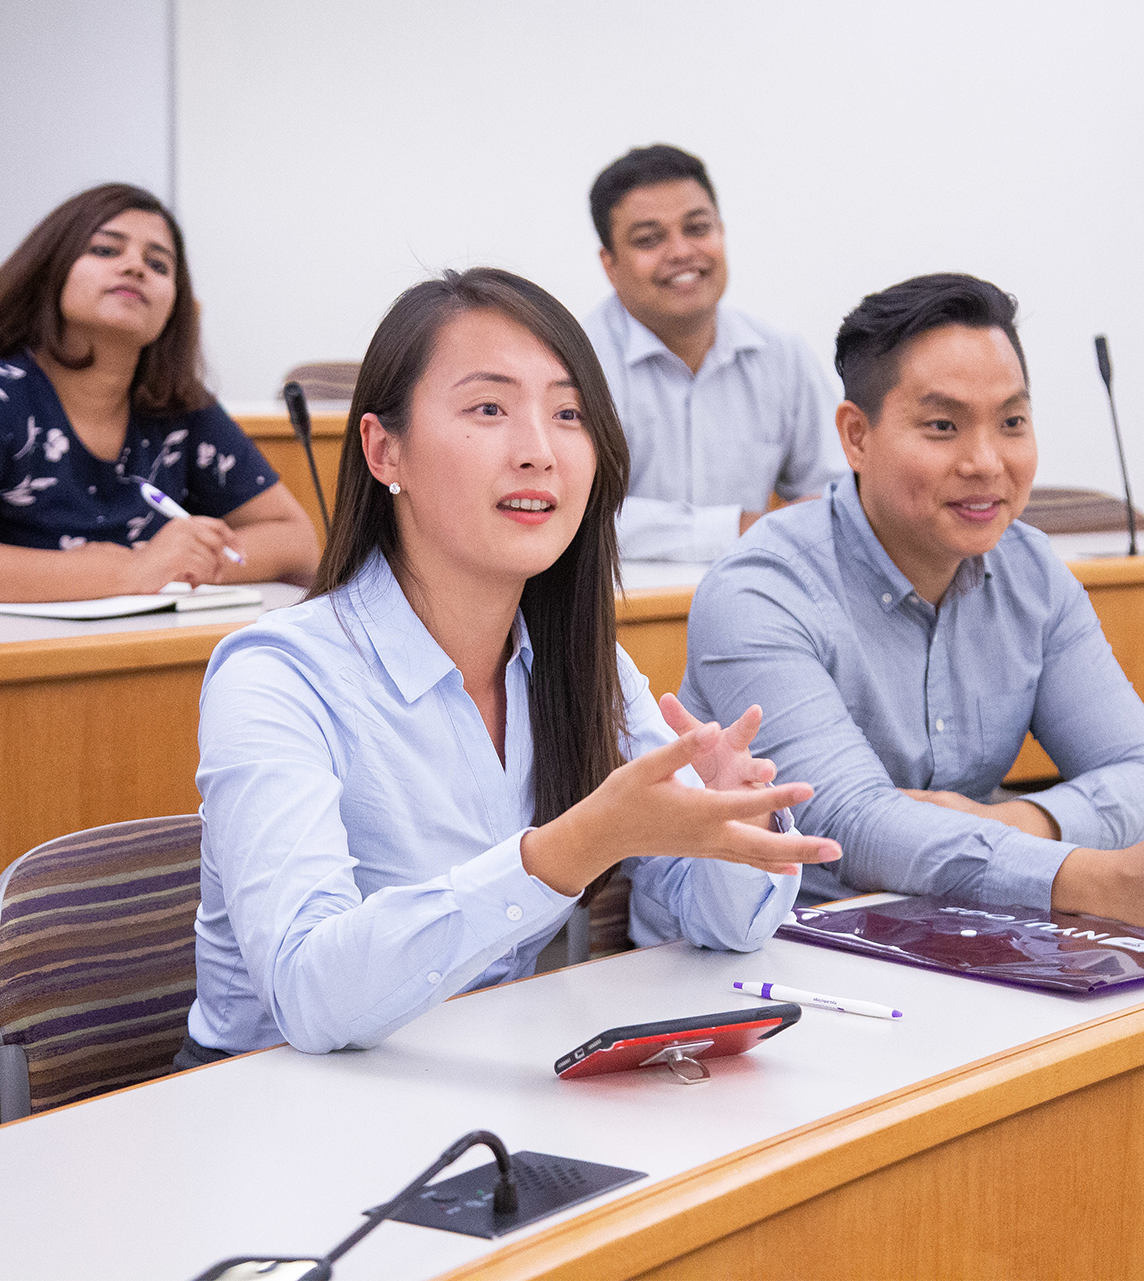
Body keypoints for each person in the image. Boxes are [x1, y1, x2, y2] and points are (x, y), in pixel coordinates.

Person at [180, 267, 839, 1062]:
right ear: (384, 449)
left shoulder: (580, 660)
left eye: (567, 414)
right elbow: (308, 998)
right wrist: (565, 850)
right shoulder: (277, 675)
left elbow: (728, 927)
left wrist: (731, 823)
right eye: (488, 409)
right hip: (277, 1111)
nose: (538, 452)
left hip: (481, 1088)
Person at [681, 272, 1144, 924]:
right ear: (855, 436)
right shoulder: (760, 591)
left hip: (963, 930)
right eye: (942, 425)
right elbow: (849, 823)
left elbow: (1135, 767)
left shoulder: (1031, 572)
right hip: (784, 946)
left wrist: (1020, 818)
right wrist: (1090, 879)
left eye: (1011, 421)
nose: (985, 460)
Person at [0, 183, 319, 602]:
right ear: (49, 272)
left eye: (159, 264)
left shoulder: (181, 411)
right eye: (106, 250)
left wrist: (182, 562)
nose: (135, 267)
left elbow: (296, 539)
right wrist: (133, 570)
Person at [581, 144, 841, 562]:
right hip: (612, 615)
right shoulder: (573, 364)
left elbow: (841, 495)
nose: (682, 252)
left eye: (698, 228)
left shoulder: (781, 356)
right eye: (649, 239)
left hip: (764, 602)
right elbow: (577, 515)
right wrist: (742, 528)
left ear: (722, 232)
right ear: (609, 264)